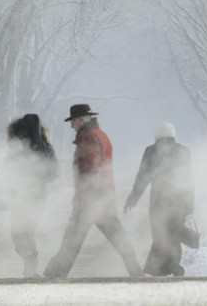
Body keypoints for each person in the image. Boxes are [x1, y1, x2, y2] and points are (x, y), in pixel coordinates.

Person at [44, 104, 143, 278]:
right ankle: (135, 270)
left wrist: (82, 196)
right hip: (103, 197)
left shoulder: (87, 137)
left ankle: (55, 273)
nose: (71, 125)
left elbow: (89, 169)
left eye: (73, 121)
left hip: (91, 199)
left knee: (73, 238)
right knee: (117, 237)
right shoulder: (101, 135)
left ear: (80, 120)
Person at [124, 122, 194, 277]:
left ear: (157, 136)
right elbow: (188, 178)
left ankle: (162, 268)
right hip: (180, 201)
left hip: (159, 201)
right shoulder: (184, 151)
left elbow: (142, 177)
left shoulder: (151, 151)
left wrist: (133, 198)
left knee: (159, 233)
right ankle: (171, 266)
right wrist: (190, 206)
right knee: (174, 234)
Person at [6, 113, 59, 277]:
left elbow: (8, 172)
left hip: (21, 196)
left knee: (18, 233)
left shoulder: (18, 148)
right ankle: (30, 265)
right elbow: (54, 173)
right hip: (39, 195)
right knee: (28, 232)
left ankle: (30, 260)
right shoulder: (47, 147)